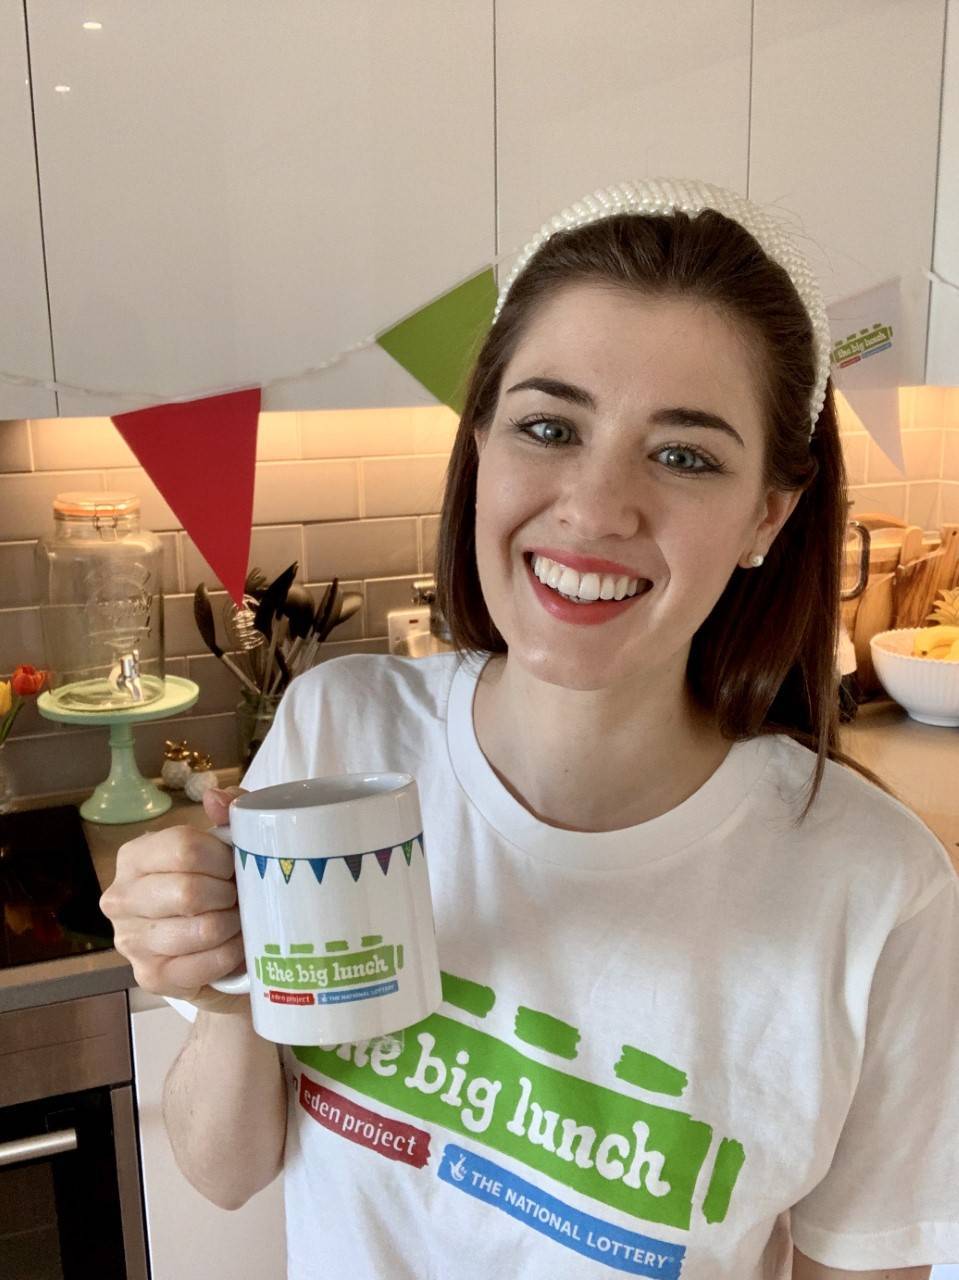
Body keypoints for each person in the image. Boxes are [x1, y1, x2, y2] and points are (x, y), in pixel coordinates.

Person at [101, 179, 959, 1280]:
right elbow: (225, 1172)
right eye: (548, 426)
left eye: (684, 454)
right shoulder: (338, 734)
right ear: (480, 447)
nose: (596, 507)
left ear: (765, 515)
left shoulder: (875, 888)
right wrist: (225, 998)